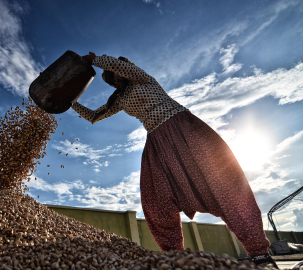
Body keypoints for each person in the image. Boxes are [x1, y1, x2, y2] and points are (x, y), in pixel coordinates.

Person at [71, 52, 277, 268]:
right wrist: (71, 101)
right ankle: (175, 257)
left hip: (185, 130)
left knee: (223, 182)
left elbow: (116, 65)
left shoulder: (143, 78)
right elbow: (94, 116)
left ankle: (259, 252)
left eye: (116, 72)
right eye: (111, 78)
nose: (115, 77)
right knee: (156, 199)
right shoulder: (120, 99)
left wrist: (93, 59)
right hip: (158, 144)